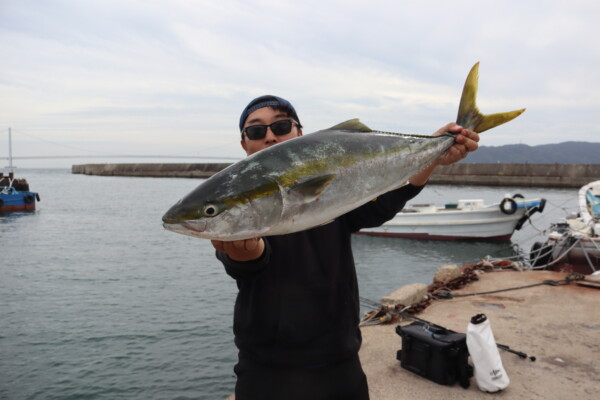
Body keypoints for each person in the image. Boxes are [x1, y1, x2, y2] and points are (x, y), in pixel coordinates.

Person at [211, 95, 479, 400]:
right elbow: (244, 263)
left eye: (282, 126)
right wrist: (245, 254)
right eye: (256, 131)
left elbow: (381, 206)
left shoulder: (334, 187)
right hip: (267, 369)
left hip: (341, 359)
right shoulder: (236, 198)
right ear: (245, 144)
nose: (270, 136)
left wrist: (433, 153)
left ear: (300, 134)